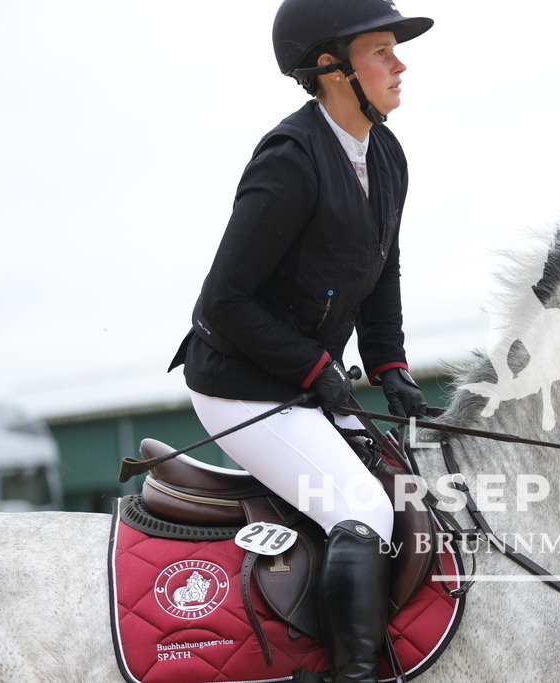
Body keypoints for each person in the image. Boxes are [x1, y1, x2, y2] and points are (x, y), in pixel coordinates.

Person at [168, 1, 432, 680]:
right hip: (240, 383)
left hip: (303, 380)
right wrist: (315, 364)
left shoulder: (387, 153)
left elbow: (381, 267)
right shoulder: (290, 161)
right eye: (381, 51)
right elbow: (222, 302)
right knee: (365, 506)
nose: (400, 64)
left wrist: (389, 362)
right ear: (331, 68)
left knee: (411, 489)